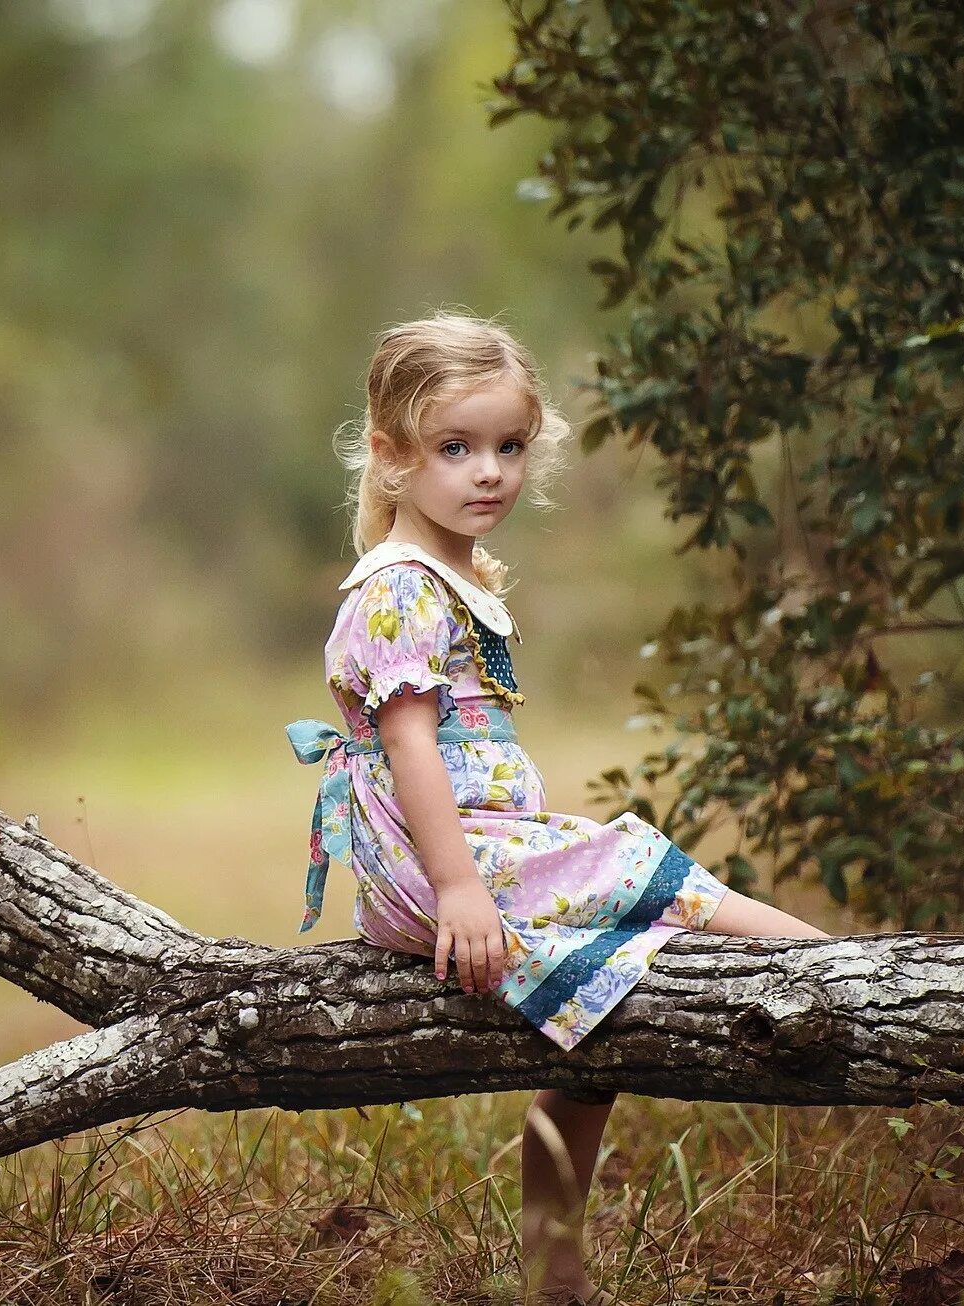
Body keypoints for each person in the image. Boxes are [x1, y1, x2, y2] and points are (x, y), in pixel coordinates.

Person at [285, 310, 829, 1306]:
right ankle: (845, 983)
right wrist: (457, 890)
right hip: (448, 870)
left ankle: (554, 1273)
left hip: (473, 854)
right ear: (392, 455)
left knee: (592, 1042)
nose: (488, 471)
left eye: (507, 446)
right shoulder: (400, 586)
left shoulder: (447, 574)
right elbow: (408, 744)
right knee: (644, 866)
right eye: (456, 448)